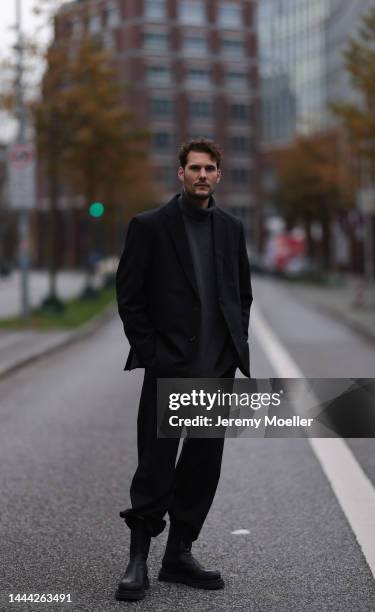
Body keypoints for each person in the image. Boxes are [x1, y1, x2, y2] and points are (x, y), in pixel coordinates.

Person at [115, 138, 252, 601]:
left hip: (216, 370)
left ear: (218, 175)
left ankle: (179, 555)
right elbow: (130, 298)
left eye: (210, 168)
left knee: (202, 467)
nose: (202, 175)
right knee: (155, 467)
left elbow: (241, 294)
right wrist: (153, 354)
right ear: (180, 173)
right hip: (169, 367)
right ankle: (138, 561)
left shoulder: (231, 229)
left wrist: (235, 345)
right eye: (194, 167)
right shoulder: (150, 226)